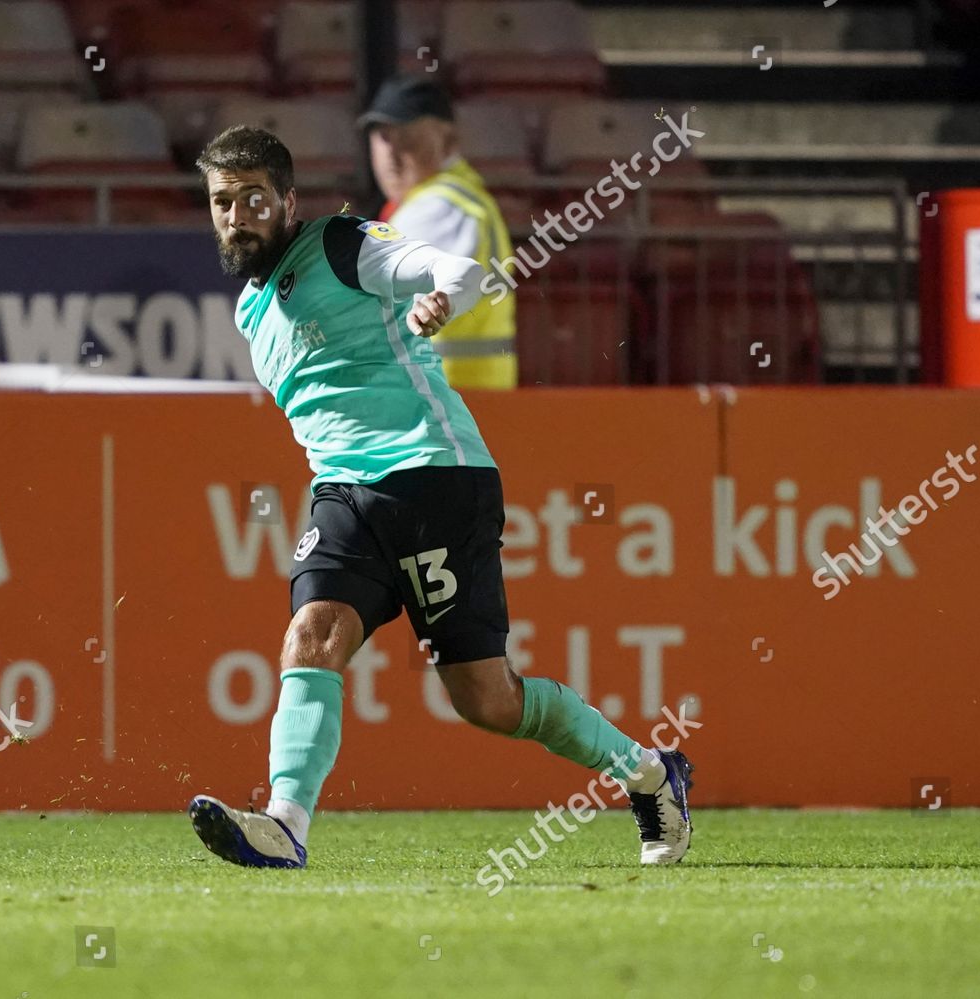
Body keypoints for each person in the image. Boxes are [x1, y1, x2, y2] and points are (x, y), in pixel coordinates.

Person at [186, 125, 692, 870]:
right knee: (311, 633)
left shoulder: (340, 244)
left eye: (253, 198)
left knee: (486, 699)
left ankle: (649, 772)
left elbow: (456, 265)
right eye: (222, 202)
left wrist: (443, 297)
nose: (236, 215)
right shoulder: (251, 308)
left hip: (433, 476)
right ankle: (284, 825)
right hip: (346, 494)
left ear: (288, 201)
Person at [360, 76, 516, 389]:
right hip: (460, 398)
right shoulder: (458, 198)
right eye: (382, 135)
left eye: (407, 136)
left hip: (447, 401)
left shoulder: (439, 206)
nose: (391, 151)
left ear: (448, 141)